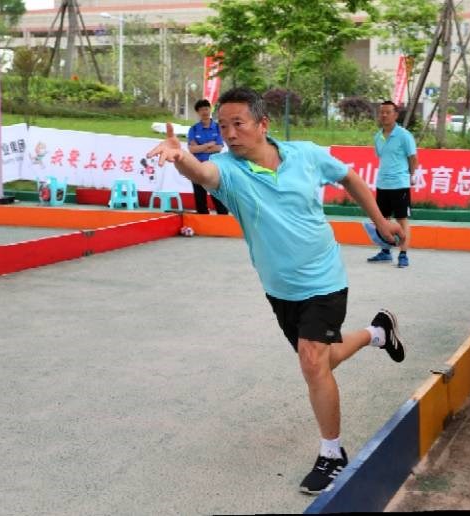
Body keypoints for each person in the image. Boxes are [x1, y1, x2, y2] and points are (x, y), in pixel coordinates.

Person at [147, 87, 406, 495]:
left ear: (263, 124)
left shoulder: (305, 154)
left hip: (324, 278)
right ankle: (377, 332)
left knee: (312, 361)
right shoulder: (228, 171)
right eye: (223, 126)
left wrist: (380, 221)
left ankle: (332, 454)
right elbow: (202, 174)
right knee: (324, 359)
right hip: (280, 289)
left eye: (238, 124)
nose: (230, 134)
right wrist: (181, 158)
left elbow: (349, 177)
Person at [367, 100, 417, 268]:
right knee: (383, 220)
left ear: (395, 115)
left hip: (400, 184)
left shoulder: (404, 135)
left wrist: (411, 175)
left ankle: (403, 254)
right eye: (382, 112)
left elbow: (413, 158)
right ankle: (385, 251)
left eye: (388, 112)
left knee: (402, 220)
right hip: (382, 184)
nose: (384, 115)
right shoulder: (378, 137)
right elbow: (382, 158)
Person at [187, 98, 228, 214]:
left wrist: (200, 147)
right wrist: (209, 145)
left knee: (218, 197)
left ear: (210, 109)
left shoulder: (218, 127)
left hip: (214, 168)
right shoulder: (194, 129)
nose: (204, 112)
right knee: (200, 198)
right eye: (201, 110)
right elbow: (192, 149)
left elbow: (218, 148)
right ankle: (202, 220)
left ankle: (224, 220)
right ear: (197, 112)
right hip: (197, 167)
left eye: (206, 109)